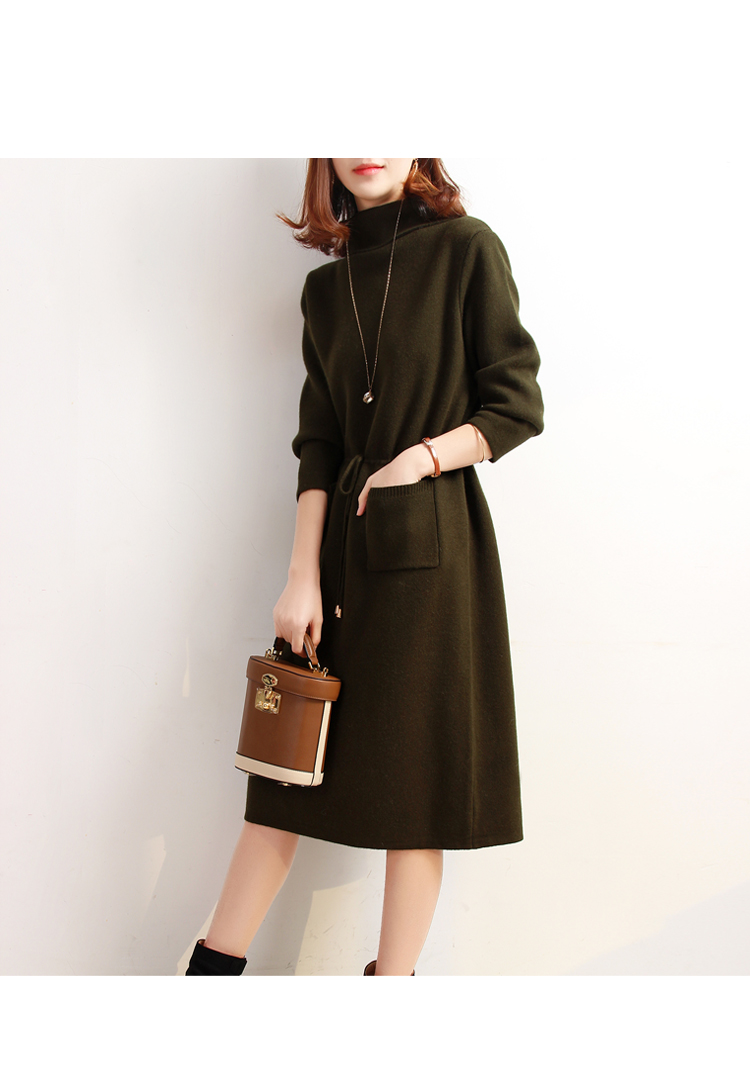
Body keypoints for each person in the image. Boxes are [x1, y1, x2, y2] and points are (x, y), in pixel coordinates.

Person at [185, 159, 544, 976]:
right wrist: (300, 575)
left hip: (432, 556)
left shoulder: (467, 249)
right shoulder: (324, 291)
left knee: (416, 794)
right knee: (283, 775)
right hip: (338, 561)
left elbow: (516, 403)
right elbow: (319, 443)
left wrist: (420, 459)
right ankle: (208, 976)